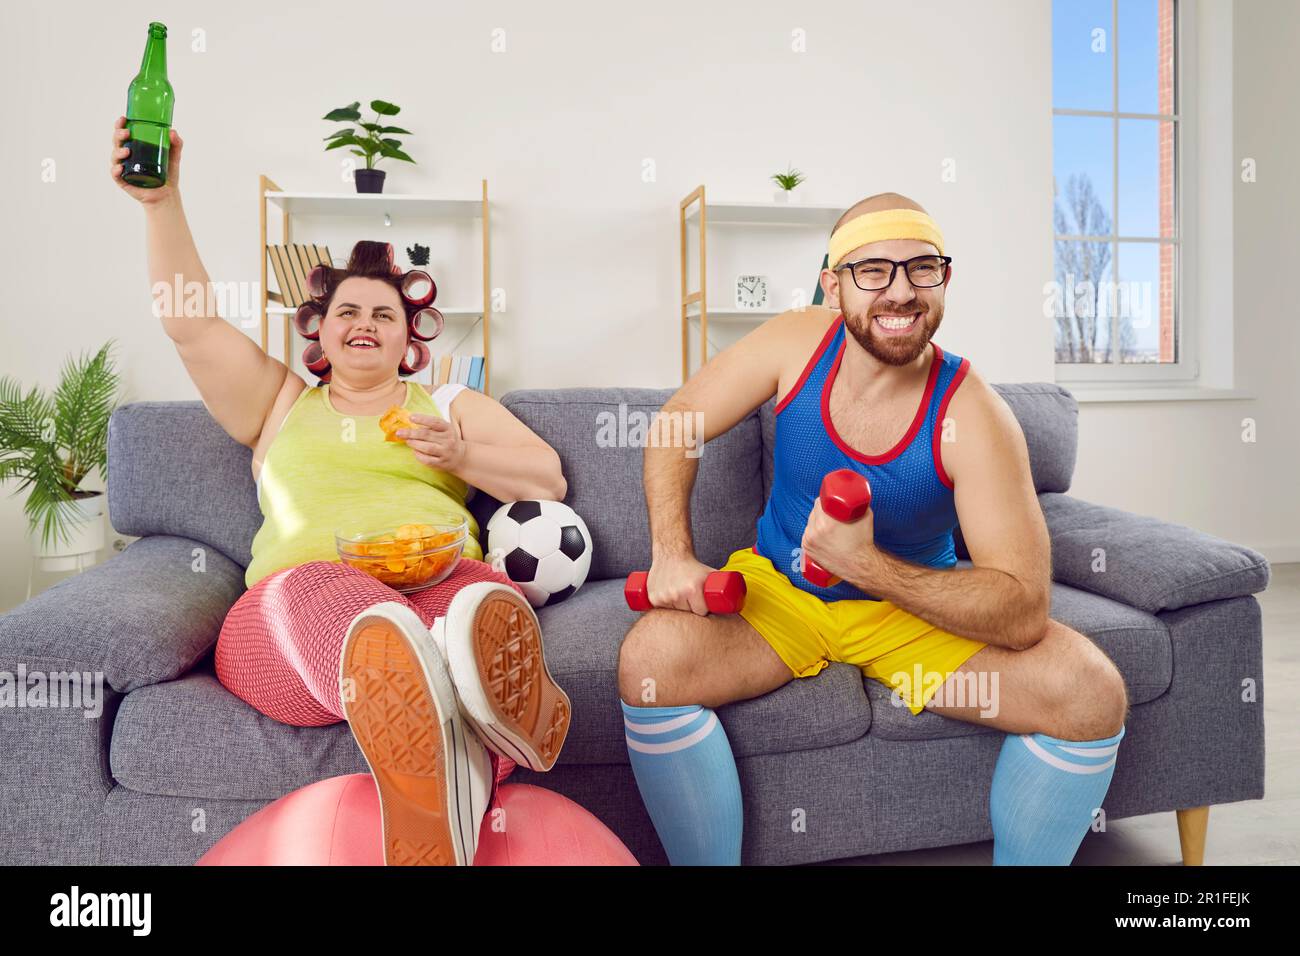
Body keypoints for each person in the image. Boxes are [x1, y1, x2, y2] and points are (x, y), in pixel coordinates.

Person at [110, 117, 571, 866]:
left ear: (408, 338)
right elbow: (190, 326)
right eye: (347, 312)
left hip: (442, 582)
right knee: (325, 594)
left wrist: (462, 451)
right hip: (296, 611)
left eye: (383, 314)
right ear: (318, 331)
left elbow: (546, 478)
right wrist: (160, 205)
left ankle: (441, 749)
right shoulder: (279, 401)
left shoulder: (447, 402)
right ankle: (461, 712)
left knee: (477, 607)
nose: (365, 323)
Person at [618, 192, 1129, 865]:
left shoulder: (977, 418)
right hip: (780, 594)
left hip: (912, 614)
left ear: (944, 280)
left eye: (922, 269)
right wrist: (673, 555)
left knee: (1091, 693)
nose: (900, 292)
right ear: (833, 286)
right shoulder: (795, 340)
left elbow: (1023, 610)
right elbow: (676, 423)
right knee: (650, 661)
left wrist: (869, 567)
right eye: (873, 272)